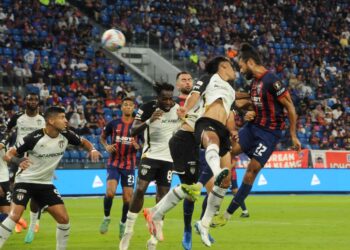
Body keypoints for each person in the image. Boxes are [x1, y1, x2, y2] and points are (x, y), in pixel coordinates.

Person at [211, 43, 301, 227]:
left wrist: (293, 135)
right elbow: (253, 103)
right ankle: (209, 188)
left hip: (269, 134)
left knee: (251, 170)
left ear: (250, 62)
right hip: (253, 128)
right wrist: (244, 109)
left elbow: (290, 107)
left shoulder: (272, 81)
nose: (241, 70)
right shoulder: (254, 84)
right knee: (226, 150)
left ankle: (227, 215)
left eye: (241, 65)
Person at [0, 106, 101, 250]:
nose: (66, 121)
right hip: (25, 181)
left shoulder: (67, 135)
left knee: (64, 220)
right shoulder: (33, 138)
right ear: (51, 121)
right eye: (62, 117)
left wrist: (93, 149)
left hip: (45, 184)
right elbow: (9, 154)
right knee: (15, 215)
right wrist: (18, 161)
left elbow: (84, 142)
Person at [119, 83, 180, 250]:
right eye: (164, 99)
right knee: (140, 189)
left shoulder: (179, 109)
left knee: (163, 197)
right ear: (157, 98)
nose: (168, 102)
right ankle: (128, 233)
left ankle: (152, 239)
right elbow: (133, 130)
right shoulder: (147, 107)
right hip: (150, 156)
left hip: (168, 159)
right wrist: (149, 120)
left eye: (170, 98)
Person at [0, 92, 45, 243]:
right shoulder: (17, 117)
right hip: (18, 158)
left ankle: (32, 224)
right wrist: (4, 145)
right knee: (15, 190)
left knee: (36, 196)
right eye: (29, 99)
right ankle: (17, 219)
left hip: (37, 160)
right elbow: (6, 132)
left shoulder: (44, 119)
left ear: (38, 102)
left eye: (35, 99)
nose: (32, 101)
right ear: (25, 101)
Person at [99, 97, 141, 239]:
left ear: (133, 107)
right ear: (121, 107)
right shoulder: (113, 123)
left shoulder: (138, 125)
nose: (128, 107)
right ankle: (106, 217)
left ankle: (123, 223)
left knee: (127, 198)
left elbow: (146, 143)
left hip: (129, 166)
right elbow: (102, 138)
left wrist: (138, 146)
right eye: (125, 105)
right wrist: (106, 147)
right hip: (114, 163)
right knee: (110, 192)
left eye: (130, 105)